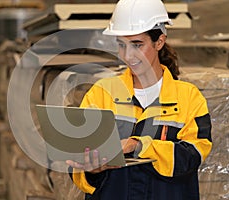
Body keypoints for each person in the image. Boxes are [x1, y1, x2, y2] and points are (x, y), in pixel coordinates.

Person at [66, 0, 212, 199]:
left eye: (137, 45)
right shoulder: (102, 93)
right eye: (121, 45)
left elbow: (193, 156)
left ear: (159, 42)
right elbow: (78, 161)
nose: (128, 56)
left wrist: (139, 145)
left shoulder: (188, 98)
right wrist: (90, 170)